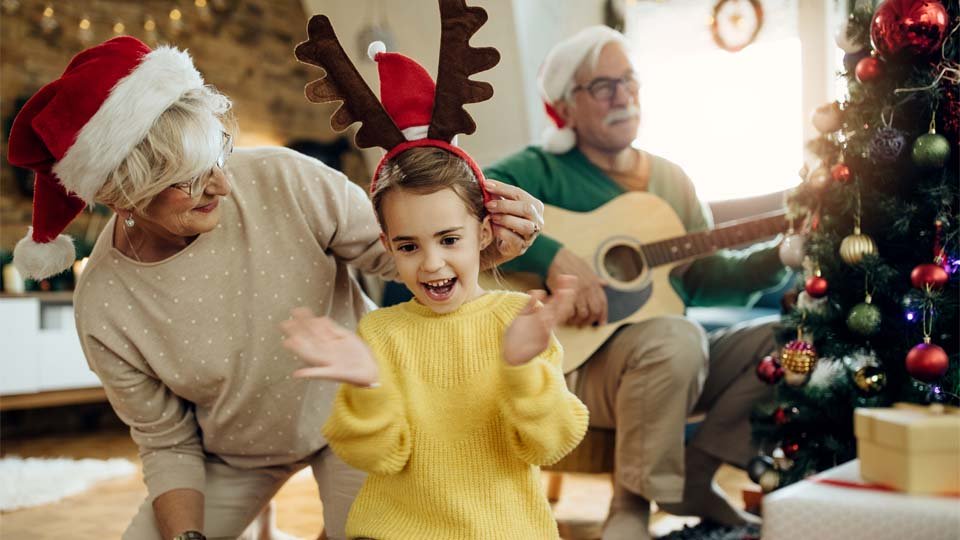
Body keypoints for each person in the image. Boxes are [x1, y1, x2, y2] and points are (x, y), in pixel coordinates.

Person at [7, 36, 544, 540]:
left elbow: (400, 255)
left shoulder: (287, 178)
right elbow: (166, 442)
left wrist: (486, 247)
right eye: (189, 178)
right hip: (230, 453)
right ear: (123, 194)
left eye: (217, 155)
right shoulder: (104, 303)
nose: (221, 184)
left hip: (359, 415)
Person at [484, 26, 788, 540]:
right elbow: (468, 208)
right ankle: (630, 506)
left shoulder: (673, 181)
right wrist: (555, 255)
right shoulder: (537, 170)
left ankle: (697, 474)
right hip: (578, 369)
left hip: (671, 364)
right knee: (677, 337)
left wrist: (780, 252)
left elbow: (707, 279)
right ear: (566, 105)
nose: (622, 96)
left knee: (786, 338)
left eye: (629, 81)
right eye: (603, 86)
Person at [281, 146, 588, 540]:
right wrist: (368, 387)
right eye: (409, 246)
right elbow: (379, 456)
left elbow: (549, 445)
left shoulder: (519, 321)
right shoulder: (380, 332)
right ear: (388, 246)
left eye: (448, 240)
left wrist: (522, 368)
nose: (430, 263)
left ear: (482, 233)